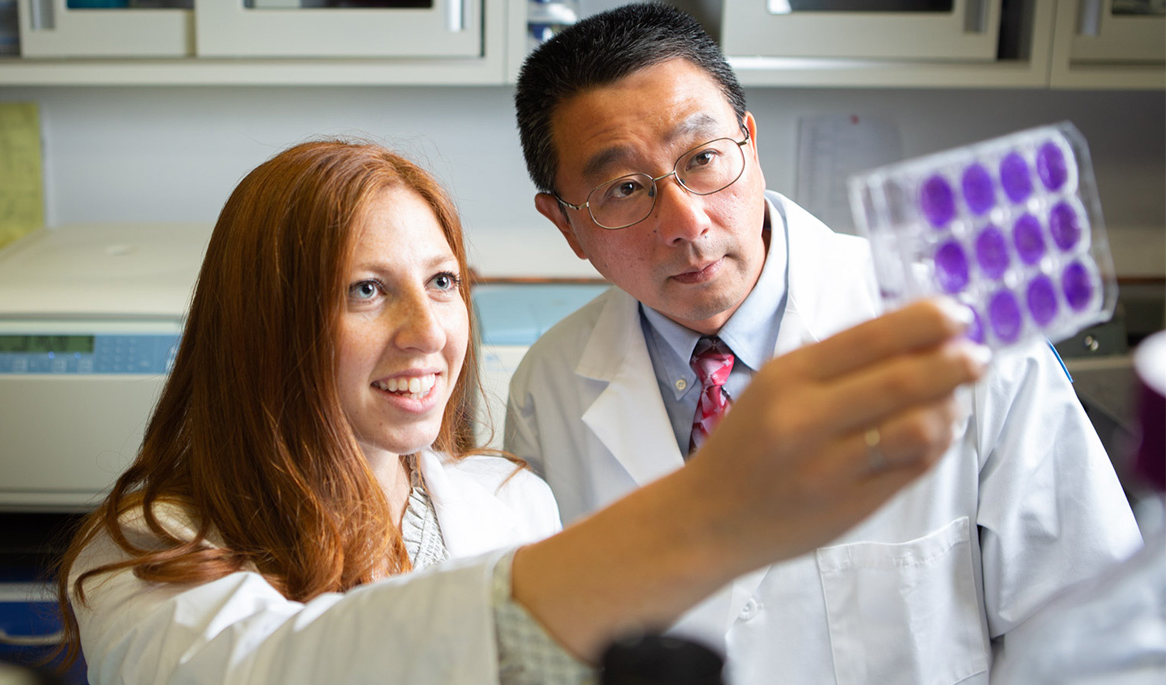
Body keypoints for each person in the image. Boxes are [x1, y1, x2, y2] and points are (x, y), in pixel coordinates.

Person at [55, 140, 987, 684]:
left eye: (444, 282)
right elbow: (291, 666)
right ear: (268, 323)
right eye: (368, 291)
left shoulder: (505, 499)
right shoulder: (149, 554)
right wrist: (705, 516)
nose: (430, 333)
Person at [505, 4, 1144, 684]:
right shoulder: (549, 389)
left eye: (703, 158)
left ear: (749, 141)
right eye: (625, 188)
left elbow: (1102, 638)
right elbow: (540, 648)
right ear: (566, 224)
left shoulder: (960, 333)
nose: (686, 222)